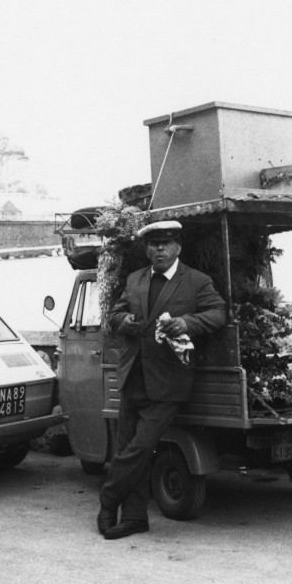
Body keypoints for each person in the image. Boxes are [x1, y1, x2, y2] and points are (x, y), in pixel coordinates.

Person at [98, 220, 227, 540]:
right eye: (153, 244)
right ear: (146, 249)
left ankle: (108, 498)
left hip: (169, 382)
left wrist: (188, 322)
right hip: (132, 377)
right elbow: (114, 316)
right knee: (127, 448)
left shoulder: (196, 281)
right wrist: (124, 320)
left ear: (177, 248)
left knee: (140, 449)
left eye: (165, 244)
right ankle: (134, 517)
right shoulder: (135, 279)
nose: (159, 250)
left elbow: (218, 314)